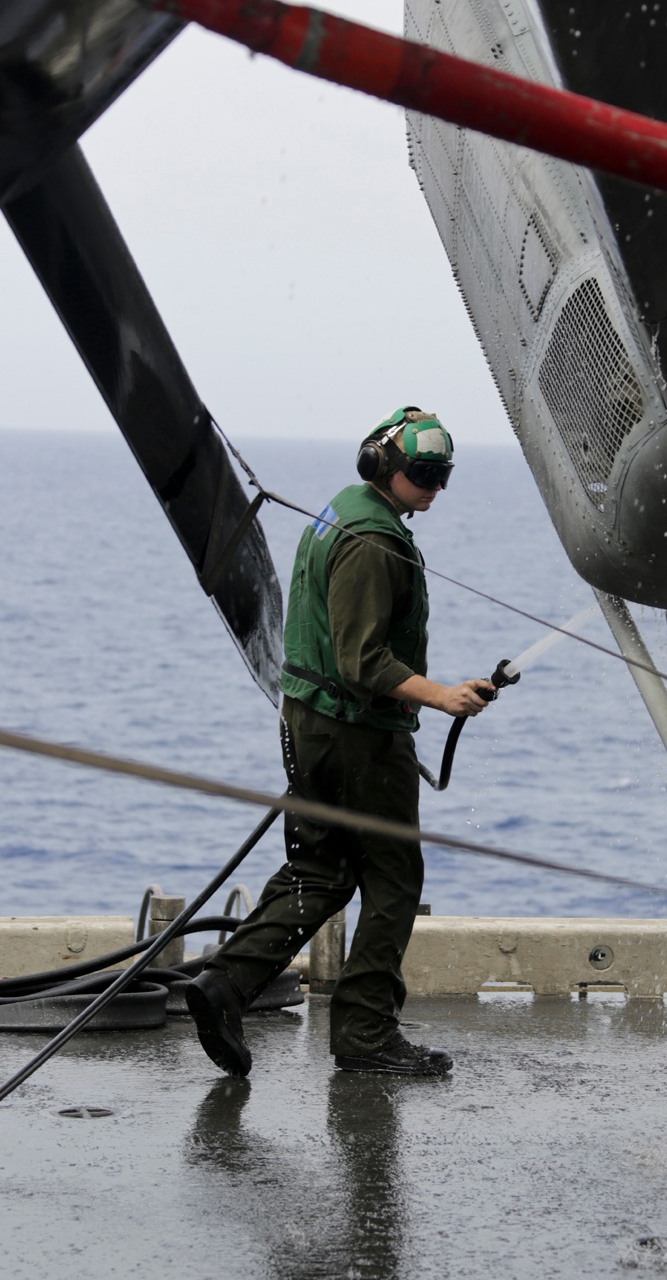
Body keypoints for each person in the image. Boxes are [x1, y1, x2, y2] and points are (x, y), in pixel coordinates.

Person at [186, 406, 492, 1077]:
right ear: (382, 464)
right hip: (355, 734)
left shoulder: (339, 511)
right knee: (392, 879)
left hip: (309, 722)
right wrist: (441, 696)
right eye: (423, 474)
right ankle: (364, 1034)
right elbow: (362, 663)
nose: (434, 488)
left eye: (443, 476)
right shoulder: (369, 538)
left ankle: (224, 984)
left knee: (319, 870)